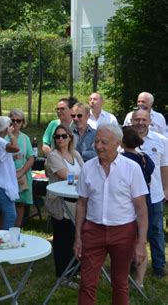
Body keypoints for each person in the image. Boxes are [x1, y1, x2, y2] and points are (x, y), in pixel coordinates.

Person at [74, 123, 148, 304]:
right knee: (87, 283)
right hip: (93, 230)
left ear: (118, 143)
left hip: (123, 232)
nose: (98, 146)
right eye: (96, 141)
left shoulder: (132, 168)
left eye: (104, 142)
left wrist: (141, 243)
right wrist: (78, 236)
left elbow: (141, 209)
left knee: (120, 283)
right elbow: (81, 204)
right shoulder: (88, 168)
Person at [45, 124, 84, 289]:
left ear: (70, 137)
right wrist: (81, 177)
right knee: (63, 239)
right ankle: (62, 276)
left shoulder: (75, 154)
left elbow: (85, 172)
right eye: (57, 136)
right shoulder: (53, 156)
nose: (60, 139)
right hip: (61, 204)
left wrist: (81, 177)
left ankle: (76, 271)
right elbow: (64, 175)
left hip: (77, 202)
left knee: (77, 237)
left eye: (63, 136)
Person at [130, 109, 167, 278]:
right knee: (131, 230)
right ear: (131, 121)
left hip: (155, 193)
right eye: (137, 119)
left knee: (156, 231)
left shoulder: (161, 141)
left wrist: (166, 189)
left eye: (143, 120)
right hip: (131, 196)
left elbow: (164, 167)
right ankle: (131, 263)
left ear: (150, 121)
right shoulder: (124, 141)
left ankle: (159, 266)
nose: (140, 123)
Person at [121, 126, 155, 287]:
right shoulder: (145, 157)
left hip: (129, 202)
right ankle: (139, 280)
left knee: (126, 240)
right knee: (142, 239)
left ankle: (124, 276)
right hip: (145, 199)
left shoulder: (123, 159)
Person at [7, 109, 34, 227]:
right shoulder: (4, 137)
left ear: (23, 123)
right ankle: (5, 228)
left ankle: (16, 229)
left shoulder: (25, 138)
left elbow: (31, 157)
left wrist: (22, 172)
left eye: (18, 121)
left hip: (21, 175)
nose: (15, 123)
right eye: (12, 120)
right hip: (7, 175)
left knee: (20, 204)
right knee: (7, 202)